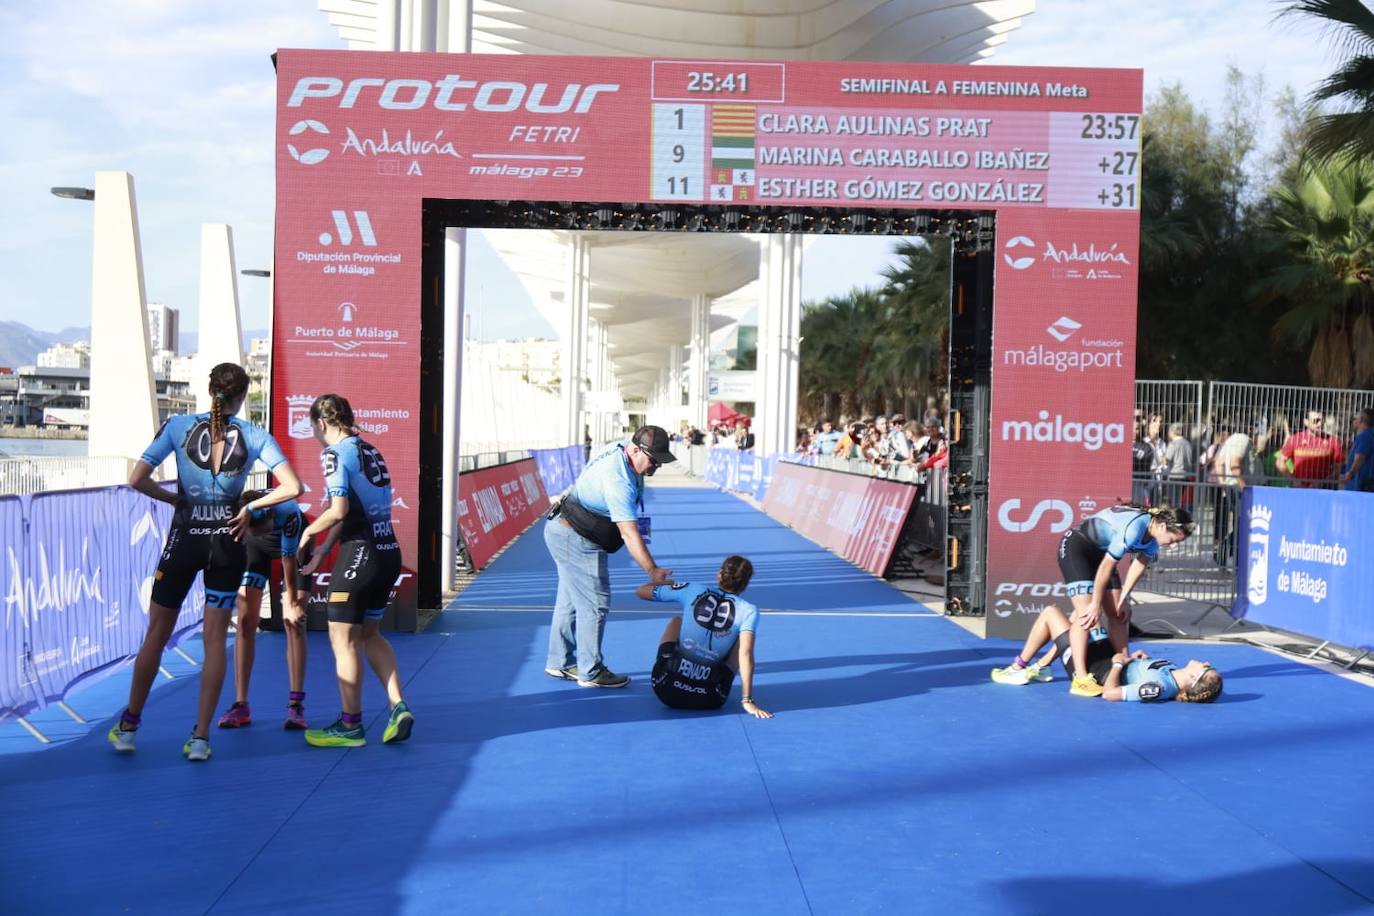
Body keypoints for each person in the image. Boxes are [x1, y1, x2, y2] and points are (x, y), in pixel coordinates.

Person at [108, 363, 302, 761]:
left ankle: (129, 726)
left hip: (184, 539)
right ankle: (200, 738)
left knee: (156, 635)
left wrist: (176, 500)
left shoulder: (178, 426)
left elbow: (137, 479)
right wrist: (251, 509)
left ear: (210, 390)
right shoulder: (254, 435)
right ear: (242, 396)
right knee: (216, 640)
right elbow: (293, 487)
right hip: (228, 541)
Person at [296, 393, 413, 748]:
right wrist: (324, 552)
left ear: (321, 424)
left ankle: (350, 725)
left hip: (361, 557)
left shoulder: (333, 453)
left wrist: (307, 532)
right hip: (388, 551)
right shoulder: (369, 449)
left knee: (342, 640)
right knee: (370, 634)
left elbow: (338, 510)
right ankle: (398, 706)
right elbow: (353, 511)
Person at [545, 425, 676, 688]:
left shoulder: (621, 448)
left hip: (562, 529)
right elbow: (629, 533)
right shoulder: (619, 482)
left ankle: (559, 662)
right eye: (653, 461)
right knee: (595, 603)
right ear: (636, 450)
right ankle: (590, 671)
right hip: (578, 539)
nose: (656, 467)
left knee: (570, 601)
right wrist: (652, 571)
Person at [1054, 503, 1195, 697]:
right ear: (1163, 526)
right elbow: (1105, 568)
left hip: (1102, 555)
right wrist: (1095, 604)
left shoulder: (1154, 537)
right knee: (1087, 614)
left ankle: (1124, 661)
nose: (1173, 546)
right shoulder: (1133, 528)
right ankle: (1080, 678)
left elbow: (1137, 567)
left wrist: (1123, 598)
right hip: (1078, 549)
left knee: (1120, 614)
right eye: (1173, 540)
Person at [215, 489, 311, 731]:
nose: (266, 531)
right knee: (246, 621)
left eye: (267, 528)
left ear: (270, 519)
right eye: (258, 530)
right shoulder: (241, 518)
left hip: (296, 542)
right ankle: (240, 704)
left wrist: (290, 604)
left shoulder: (287, 513)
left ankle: (296, 705)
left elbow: (289, 560)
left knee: (294, 622)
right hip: (256, 549)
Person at [990, 605, 1222, 703]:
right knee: (1085, 615)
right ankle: (1041, 665)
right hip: (1107, 656)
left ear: (1194, 679)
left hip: (1094, 668)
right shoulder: (1172, 672)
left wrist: (1119, 665)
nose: (1207, 662)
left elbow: (1110, 693)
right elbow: (1138, 671)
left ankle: (1018, 668)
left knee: (1051, 613)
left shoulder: (1159, 687)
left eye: (1206, 668)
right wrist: (1134, 659)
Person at [635, 556, 772, 718]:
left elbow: (641, 591)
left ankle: (671, 667)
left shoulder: (693, 589)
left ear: (719, 574)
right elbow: (746, 654)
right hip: (711, 698)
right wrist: (747, 700)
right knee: (740, 640)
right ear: (746, 583)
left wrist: (667, 583)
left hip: (665, 688)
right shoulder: (749, 610)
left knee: (677, 620)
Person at [1280, 408, 1345, 487]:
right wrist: (1294, 480)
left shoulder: (1333, 441)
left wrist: (1323, 482)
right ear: (1306, 422)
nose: (1319, 424)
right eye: (1316, 421)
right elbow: (1280, 462)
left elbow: (1338, 468)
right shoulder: (1296, 439)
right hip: (1299, 490)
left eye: (1322, 420)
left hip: (1324, 491)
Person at [1339, 407, 1374, 492]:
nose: (1353, 422)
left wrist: (1350, 474)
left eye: (1355, 419)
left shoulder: (1365, 436)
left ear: (1361, 420)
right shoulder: (1369, 435)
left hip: (1360, 487)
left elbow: (1360, 457)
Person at [1164, 422, 1195, 511]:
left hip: (1174, 475)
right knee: (1180, 500)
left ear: (1172, 431)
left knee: (1173, 501)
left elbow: (1167, 459)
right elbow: (1190, 461)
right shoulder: (1187, 444)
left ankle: (1174, 519)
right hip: (1185, 475)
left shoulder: (1173, 444)